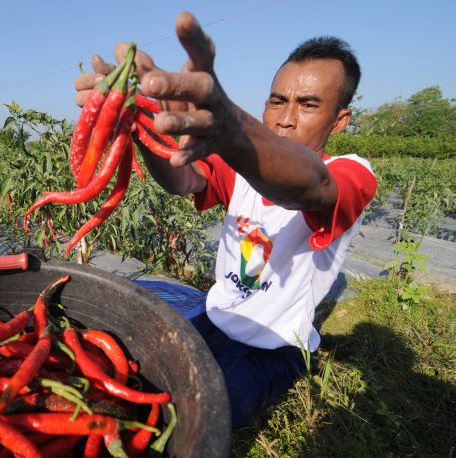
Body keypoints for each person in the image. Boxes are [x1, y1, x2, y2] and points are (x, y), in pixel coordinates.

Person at [74, 11, 377, 428]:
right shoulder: (241, 168)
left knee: (187, 421)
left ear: (339, 120)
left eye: (309, 105)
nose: (286, 117)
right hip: (213, 317)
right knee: (118, 369)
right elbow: (183, 178)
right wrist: (140, 124)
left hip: (271, 348)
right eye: (277, 101)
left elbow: (308, 186)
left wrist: (233, 129)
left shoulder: (351, 172)